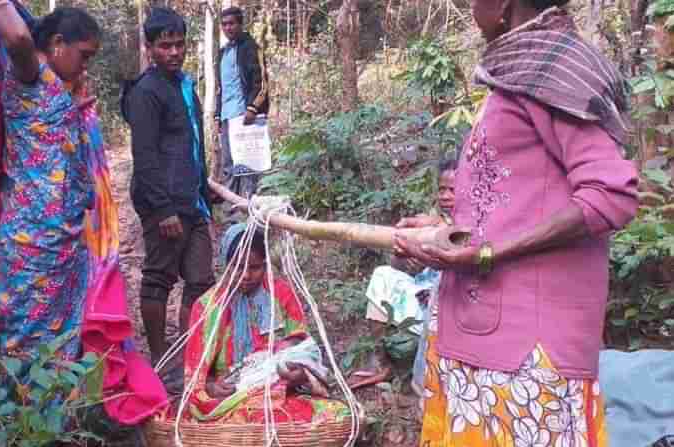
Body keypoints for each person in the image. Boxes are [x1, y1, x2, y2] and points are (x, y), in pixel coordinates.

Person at [393, 1, 639, 445]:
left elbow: (611, 195)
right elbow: (515, 201)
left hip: (526, 353)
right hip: (483, 335)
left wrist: (489, 253)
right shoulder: (521, 73)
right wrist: (443, 230)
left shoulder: (552, 71)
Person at [0, 4, 101, 364]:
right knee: (28, 345)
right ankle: (26, 419)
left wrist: (70, 110)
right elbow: (18, 35)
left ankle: (58, 419)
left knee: (61, 344)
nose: (85, 66)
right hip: (34, 242)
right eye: (83, 55)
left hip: (63, 241)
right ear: (57, 43)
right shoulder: (29, 72)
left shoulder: (53, 86)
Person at [181, 224, 349, 423]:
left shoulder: (281, 295)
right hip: (228, 397)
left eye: (254, 267)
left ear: (266, 264)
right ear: (226, 263)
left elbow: (302, 350)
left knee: (335, 415)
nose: (245, 275)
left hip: (278, 392)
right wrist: (211, 386)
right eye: (237, 267)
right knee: (241, 421)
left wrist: (297, 374)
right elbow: (195, 373)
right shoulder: (206, 306)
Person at [122, 8, 215, 367]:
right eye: (165, 46)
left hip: (192, 201)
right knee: (159, 278)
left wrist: (204, 194)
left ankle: (189, 354)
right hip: (164, 205)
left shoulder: (185, 86)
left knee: (201, 278)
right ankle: (161, 359)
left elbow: (193, 145)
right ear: (149, 49)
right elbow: (144, 156)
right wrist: (162, 209)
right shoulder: (146, 92)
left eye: (179, 45)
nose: (174, 52)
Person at [353, 157, 456, 394]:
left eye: (452, 190)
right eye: (441, 189)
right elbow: (399, 264)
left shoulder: (474, 226)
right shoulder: (429, 221)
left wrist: (433, 291)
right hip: (421, 295)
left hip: (447, 302)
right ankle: (379, 359)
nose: (445, 196)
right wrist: (405, 257)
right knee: (383, 274)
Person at [215, 6, 269, 199]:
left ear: (240, 24)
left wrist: (253, 108)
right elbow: (221, 88)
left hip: (246, 115)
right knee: (229, 166)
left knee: (248, 166)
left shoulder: (250, 47)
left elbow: (261, 81)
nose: (228, 28)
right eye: (224, 24)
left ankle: (249, 212)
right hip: (227, 117)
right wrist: (217, 115)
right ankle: (233, 214)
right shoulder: (222, 53)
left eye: (231, 23)